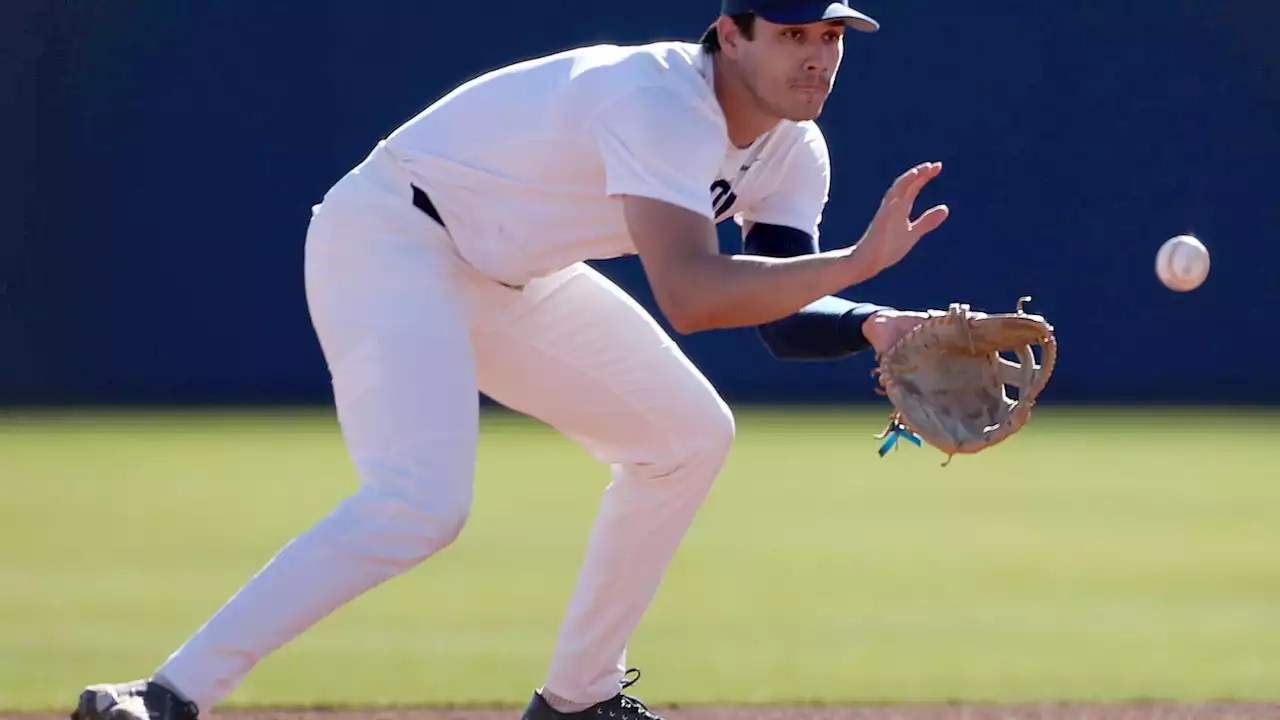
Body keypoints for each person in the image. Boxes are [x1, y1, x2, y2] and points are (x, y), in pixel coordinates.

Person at [70, 1, 950, 720]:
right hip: (392, 235)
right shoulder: (656, 99)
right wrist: (854, 267)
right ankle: (167, 694)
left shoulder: (794, 149)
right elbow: (691, 295)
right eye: (792, 33)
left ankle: (578, 699)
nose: (817, 56)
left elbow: (780, 317)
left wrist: (869, 320)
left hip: (514, 273)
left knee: (687, 436)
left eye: (830, 36)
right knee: (421, 501)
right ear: (729, 34)